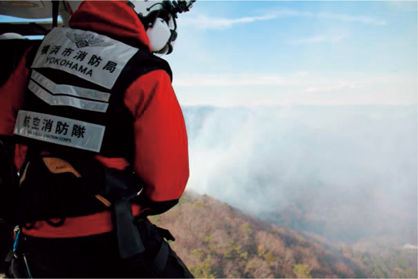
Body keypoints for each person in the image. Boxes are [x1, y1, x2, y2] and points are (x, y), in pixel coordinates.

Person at [0, 0, 194, 277]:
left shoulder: (33, 54)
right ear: (148, 17)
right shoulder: (146, 73)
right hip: (110, 239)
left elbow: (5, 127)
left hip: (38, 239)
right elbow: (166, 187)